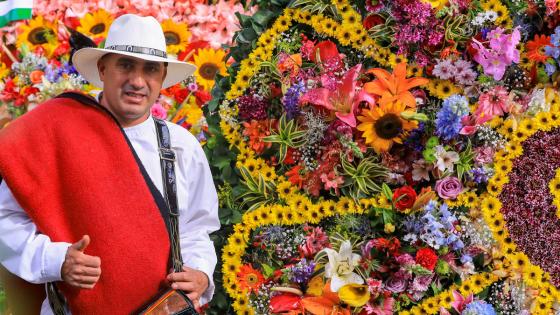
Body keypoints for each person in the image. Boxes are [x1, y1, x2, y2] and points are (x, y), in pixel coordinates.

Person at [0, 14, 220, 314]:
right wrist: (56, 260)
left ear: (162, 77)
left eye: (151, 69)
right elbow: (5, 221)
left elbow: (196, 228)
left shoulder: (181, 147)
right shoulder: (54, 132)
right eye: (125, 65)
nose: (137, 81)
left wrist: (200, 273)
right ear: (103, 69)